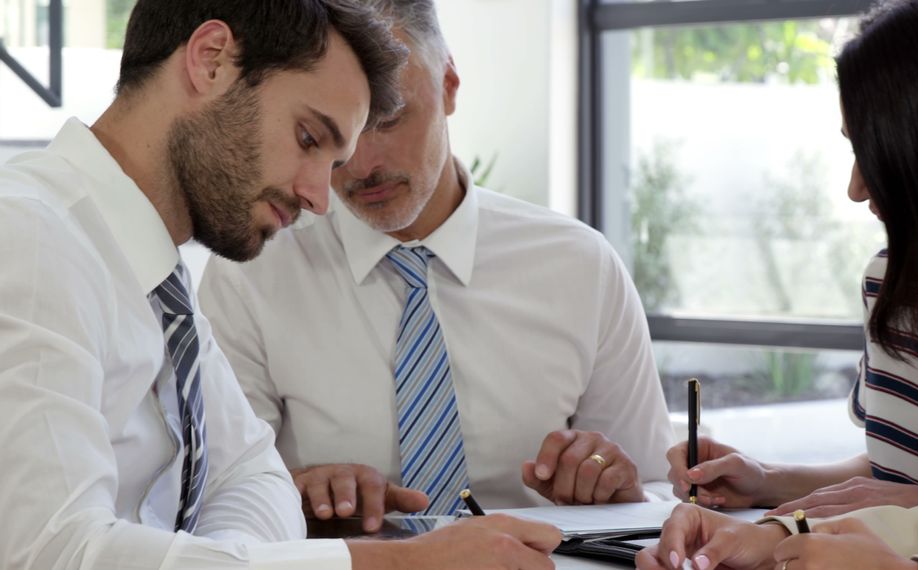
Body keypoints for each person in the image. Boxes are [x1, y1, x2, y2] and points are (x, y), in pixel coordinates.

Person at [0, 1, 561, 569]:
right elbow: (51, 551)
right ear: (212, 60)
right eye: (309, 138)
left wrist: (223, 558)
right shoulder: (27, 237)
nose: (320, 198)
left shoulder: (152, 278)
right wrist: (398, 564)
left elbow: (253, 475)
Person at [198, 0, 675, 528]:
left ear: (449, 84)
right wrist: (292, 496)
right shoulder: (254, 272)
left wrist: (619, 489)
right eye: (329, 133)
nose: (362, 162)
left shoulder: (580, 268)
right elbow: (215, 501)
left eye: (389, 118)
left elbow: (655, 492)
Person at [640, 3, 918, 568]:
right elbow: (895, 465)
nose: (854, 187)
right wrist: (768, 481)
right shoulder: (894, 285)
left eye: (874, 154)